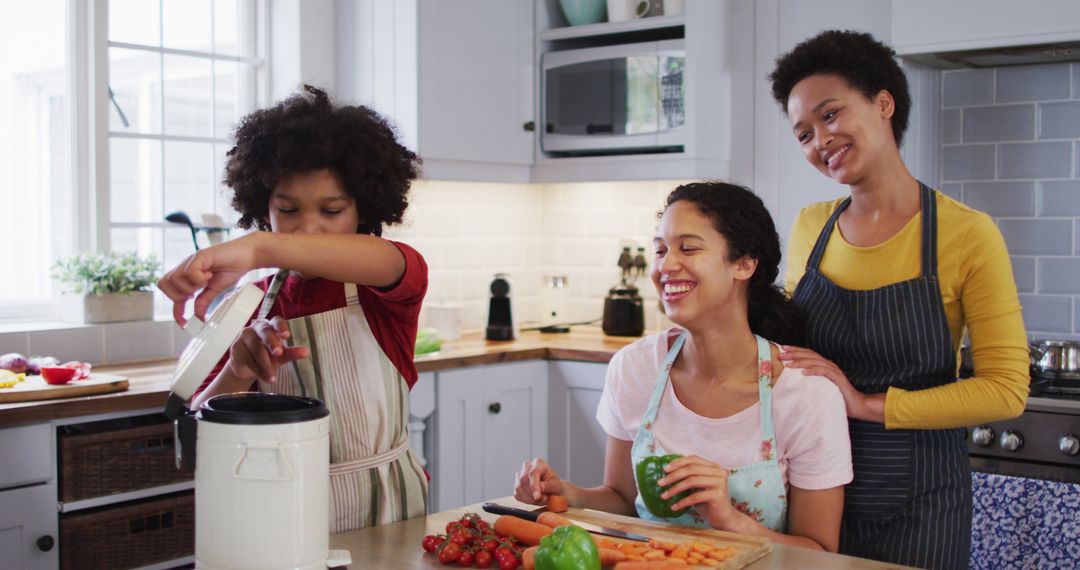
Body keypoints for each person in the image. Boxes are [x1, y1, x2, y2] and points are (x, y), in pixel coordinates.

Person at [770, 30, 1029, 569]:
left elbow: (1006, 391)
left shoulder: (966, 233)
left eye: (831, 114)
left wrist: (864, 404)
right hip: (815, 494)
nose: (820, 139)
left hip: (923, 503)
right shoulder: (810, 227)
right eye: (803, 133)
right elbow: (787, 351)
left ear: (883, 103)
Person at [514, 182, 853, 551]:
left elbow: (820, 553)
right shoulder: (634, 368)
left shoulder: (807, 395)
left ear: (744, 264)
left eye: (688, 248)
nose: (665, 266)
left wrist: (729, 519)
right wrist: (567, 493)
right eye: (660, 250)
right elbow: (622, 499)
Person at [157, 85, 428, 533]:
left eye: (331, 210)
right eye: (287, 209)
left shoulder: (384, 282)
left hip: (386, 514)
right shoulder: (249, 305)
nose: (308, 229)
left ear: (363, 209)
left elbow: (392, 260)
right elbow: (201, 441)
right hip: (279, 515)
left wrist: (262, 247)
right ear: (263, 207)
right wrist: (240, 371)